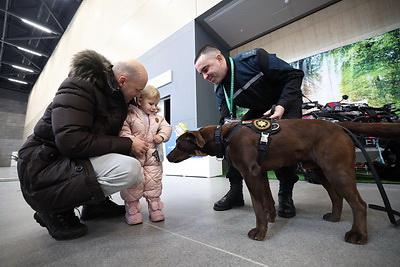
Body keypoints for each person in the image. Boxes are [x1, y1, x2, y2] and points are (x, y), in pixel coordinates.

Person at [17, 50, 150, 240]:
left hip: (61, 160)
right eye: (138, 90)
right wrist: (127, 143)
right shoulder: (80, 86)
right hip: (42, 165)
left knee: (126, 156)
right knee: (129, 168)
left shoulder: (112, 96)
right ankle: (53, 210)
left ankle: (95, 205)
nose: (139, 96)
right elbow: (71, 141)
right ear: (121, 81)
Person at [194, 45, 304, 218]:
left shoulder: (255, 59)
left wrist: (282, 106)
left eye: (206, 69)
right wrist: (209, 145)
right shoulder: (220, 88)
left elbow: (294, 76)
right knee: (231, 138)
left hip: (285, 101)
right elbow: (226, 121)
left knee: (283, 145)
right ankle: (235, 192)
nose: (205, 77)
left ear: (219, 58)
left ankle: (285, 195)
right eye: (201, 74)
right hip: (260, 109)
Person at [119, 85, 172, 225]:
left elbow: (167, 127)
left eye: (156, 104)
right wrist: (131, 141)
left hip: (153, 156)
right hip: (134, 154)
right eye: (151, 103)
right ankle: (133, 211)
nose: (154, 107)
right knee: (133, 183)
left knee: (153, 182)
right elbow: (123, 131)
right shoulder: (129, 116)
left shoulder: (158, 119)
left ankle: (155, 208)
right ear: (140, 100)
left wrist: (161, 136)